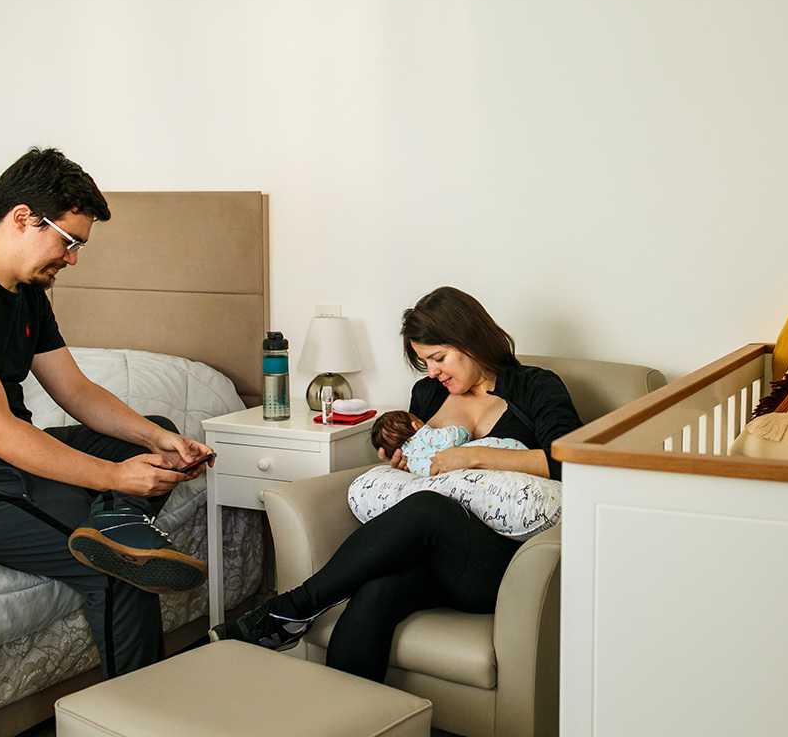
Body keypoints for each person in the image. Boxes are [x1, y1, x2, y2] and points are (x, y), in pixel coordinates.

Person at [212, 286, 582, 681]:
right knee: (374, 594)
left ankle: (291, 608)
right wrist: (399, 458)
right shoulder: (427, 394)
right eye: (426, 362)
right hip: (433, 559)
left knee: (428, 506)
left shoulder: (535, 386)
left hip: (500, 565)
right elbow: (419, 463)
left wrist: (472, 455)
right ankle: (351, 719)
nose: (434, 372)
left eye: (439, 358)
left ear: (471, 340)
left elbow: (573, 464)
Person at [0, 147, 214, 678]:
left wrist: (154, 443)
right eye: (69, 242)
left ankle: (114, 520)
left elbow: (76, 390)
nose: (71, 259)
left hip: (9, 449)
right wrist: (113, 476)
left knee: (156, 434)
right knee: (116, 571)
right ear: (23, 217)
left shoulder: (25, 291)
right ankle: (135, 717)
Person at [368, 409, 527, 477]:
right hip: (472, 458)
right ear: (415, 425)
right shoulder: (424, 435)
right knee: (497, 445)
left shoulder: (410, 462)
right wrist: (464, 432)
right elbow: (452, 438)